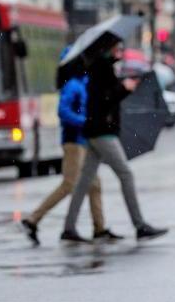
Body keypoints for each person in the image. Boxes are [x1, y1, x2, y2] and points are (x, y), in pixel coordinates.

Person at [62, 44, 167, 242]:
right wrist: (124, 89)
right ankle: (139, 225)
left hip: (96, 130)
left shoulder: (99, 67)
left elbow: (103, 98)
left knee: (84, 181)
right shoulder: (101, 68)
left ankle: (69, 227)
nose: (118, 50)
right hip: (103, 132)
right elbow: (104, 100)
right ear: (106, 49)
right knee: (126, 174)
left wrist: (122, 87)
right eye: (115, 47)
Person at [19, 51, 121, 246]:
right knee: (69, 185)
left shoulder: (82, 83)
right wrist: (85, 122)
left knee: (95, 185)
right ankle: (33, 220)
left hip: (84, 142)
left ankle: (99, 228)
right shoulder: (73, 85)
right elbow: (63, 111)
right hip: (74, 142)